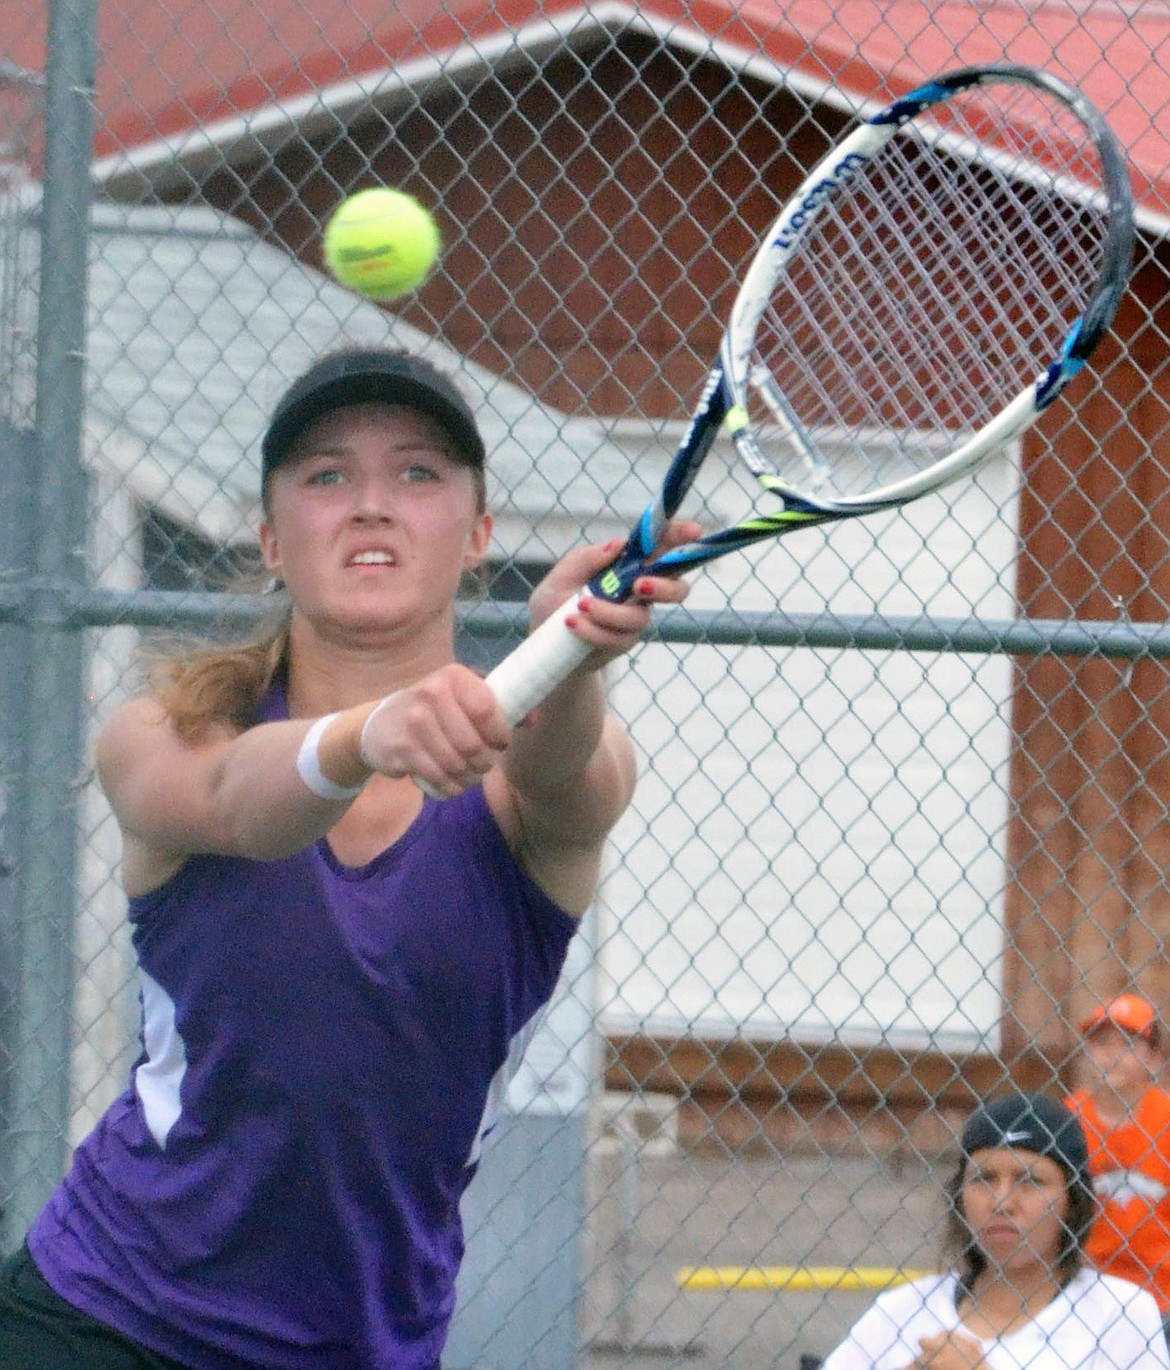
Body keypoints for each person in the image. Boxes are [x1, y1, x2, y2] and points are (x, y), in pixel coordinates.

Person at [0, 346, 699, 1370]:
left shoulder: (536, 775)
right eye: (328, 476)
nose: (372, 503)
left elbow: (565, 776)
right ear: (272, 539)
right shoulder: (168, 731)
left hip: (363, 1342)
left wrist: (570, 646)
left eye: (418, 473)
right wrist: (369, 734)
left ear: (478, 536)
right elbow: (238, 804)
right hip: (109, 1311)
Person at [820, 1092, 1169, 1370]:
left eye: (1030, 1180)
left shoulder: (1118, 1314)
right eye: (983, 1179)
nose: (1002, 1202)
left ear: (1072, 1201)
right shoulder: (903, 1310)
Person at [1065, 993, 1170, 1335]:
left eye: (1127, 1044)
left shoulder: (1166, 1120)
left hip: (1163, 1297)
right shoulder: (1068, 1119)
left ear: (1154, 1059)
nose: (1111, 1056)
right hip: (1086, 1294)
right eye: (1100, 1044)